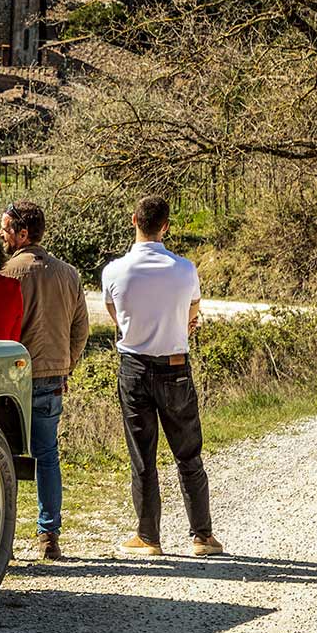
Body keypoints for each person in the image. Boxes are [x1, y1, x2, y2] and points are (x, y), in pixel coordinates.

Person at [99, 195, 222, 557]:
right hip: (174, 367)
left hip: (134, 368)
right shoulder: (185, 269)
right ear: (166, 226)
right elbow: (193, 313)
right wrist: (180, 326)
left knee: (143, 455)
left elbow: (116, 316)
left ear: (134, 220)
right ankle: (202, 536)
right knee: (188, 453)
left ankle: (149, 537)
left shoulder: (113, 271)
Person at [2, 201, 88, 561]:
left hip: (11, 377)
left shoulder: (6, 273)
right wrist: (66, 365)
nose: (1, 235)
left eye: (5, 228)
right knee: (47, 456)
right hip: (52, 376)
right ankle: (48, 534)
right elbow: (81, 328)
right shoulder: (68, 274)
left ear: (23, 234)